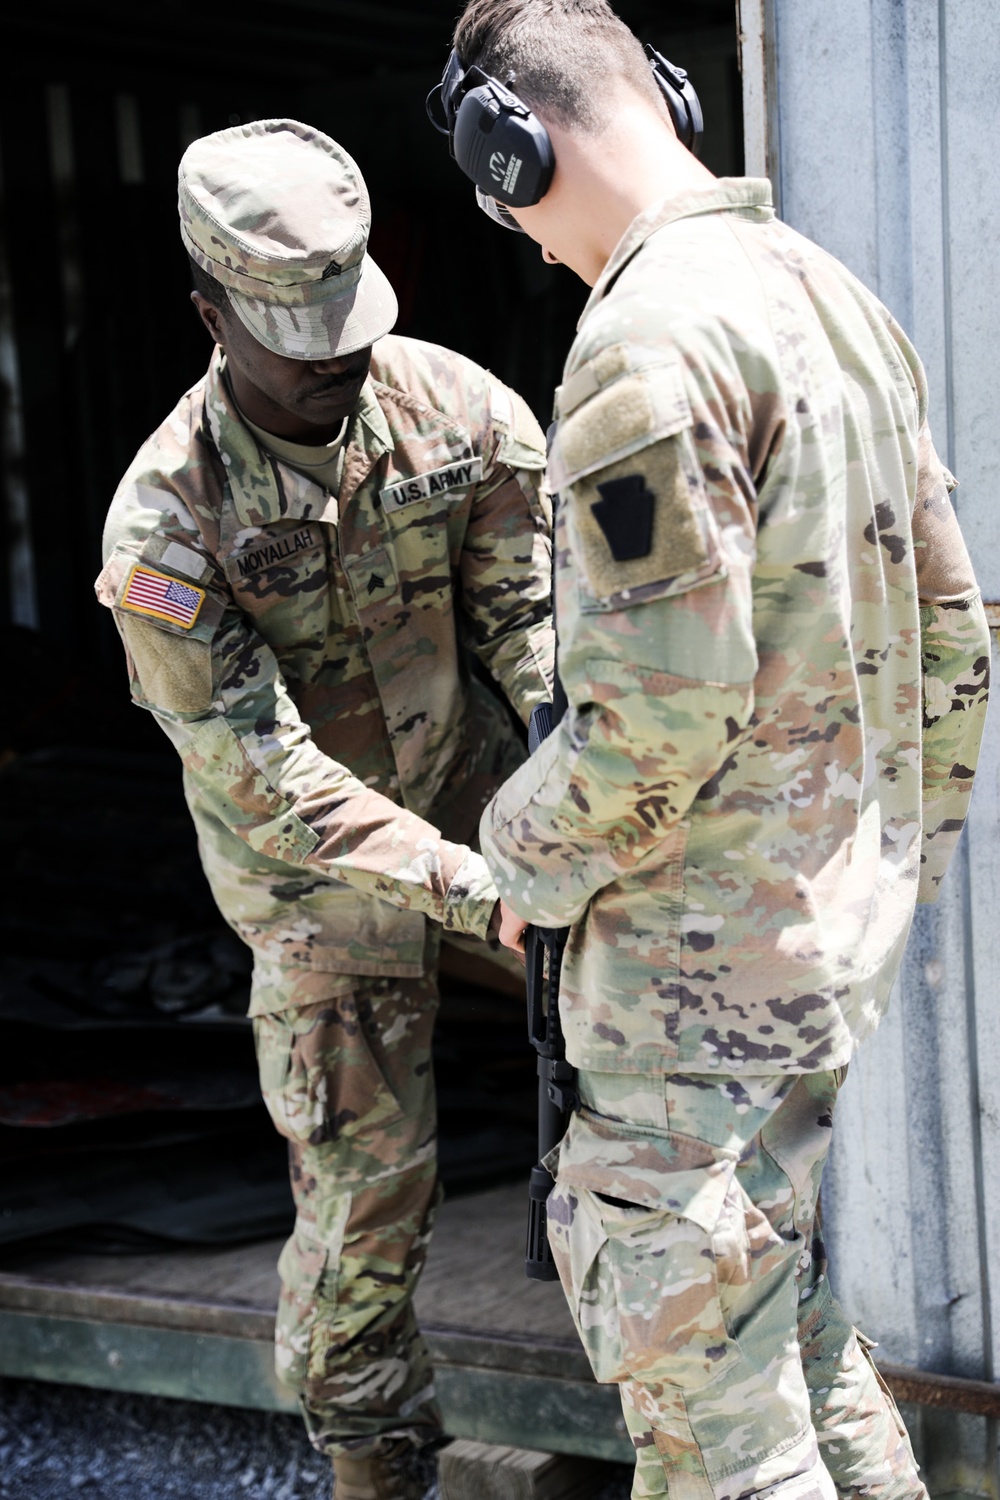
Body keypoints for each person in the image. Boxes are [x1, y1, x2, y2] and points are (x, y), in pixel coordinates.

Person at [432, 5, 991, 1500]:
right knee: (781, 1326)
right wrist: (891, 871)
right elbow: (956, 634)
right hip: (809, 949)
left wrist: (523, 866)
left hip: (691, 982)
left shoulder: (645, 344)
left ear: (514, 147)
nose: (528, 243)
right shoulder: (829, 294)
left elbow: (654, 714)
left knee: (710, 1430)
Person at [95, 118, 554, 1500]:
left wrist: (572, 791)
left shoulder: (461, 414)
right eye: (296, 342)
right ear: (208, 312)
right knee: (365, 1211)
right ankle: (372, 1466)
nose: (334, 365)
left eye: (346, 331)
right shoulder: (166, 528)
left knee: (634, 1069)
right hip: (322, 894)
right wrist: (482, 891)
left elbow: (533, 624)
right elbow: (270, 780)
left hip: (483, 814)